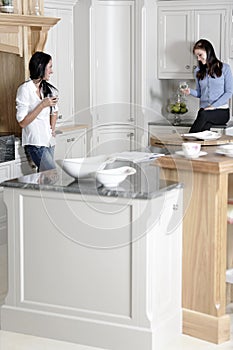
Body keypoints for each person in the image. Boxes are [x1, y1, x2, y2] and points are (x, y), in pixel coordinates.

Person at [16, 51, 59, 172]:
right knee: (52, 174)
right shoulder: (24, 89)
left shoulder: (49, 89)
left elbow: (54, 111)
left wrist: (53, 129)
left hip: (49, 140)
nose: (51, 71)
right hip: (35, 142)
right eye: (49, 67)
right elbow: (22, 123)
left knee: (45, 177)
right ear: (41, 67)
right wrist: (42, 105)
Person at [181, 39, 233, 133]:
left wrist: (213, 106)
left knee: (204, 115)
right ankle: (196, 145)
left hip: (221, 111)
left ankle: (187, 139)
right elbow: (200, 93)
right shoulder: (198, 70)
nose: (198, 59)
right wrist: (190, 91)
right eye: (196, 56)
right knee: (203, 133)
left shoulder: (225, 68)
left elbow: (229, 92)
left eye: (200, 55)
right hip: (204, 111)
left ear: (208, 52)